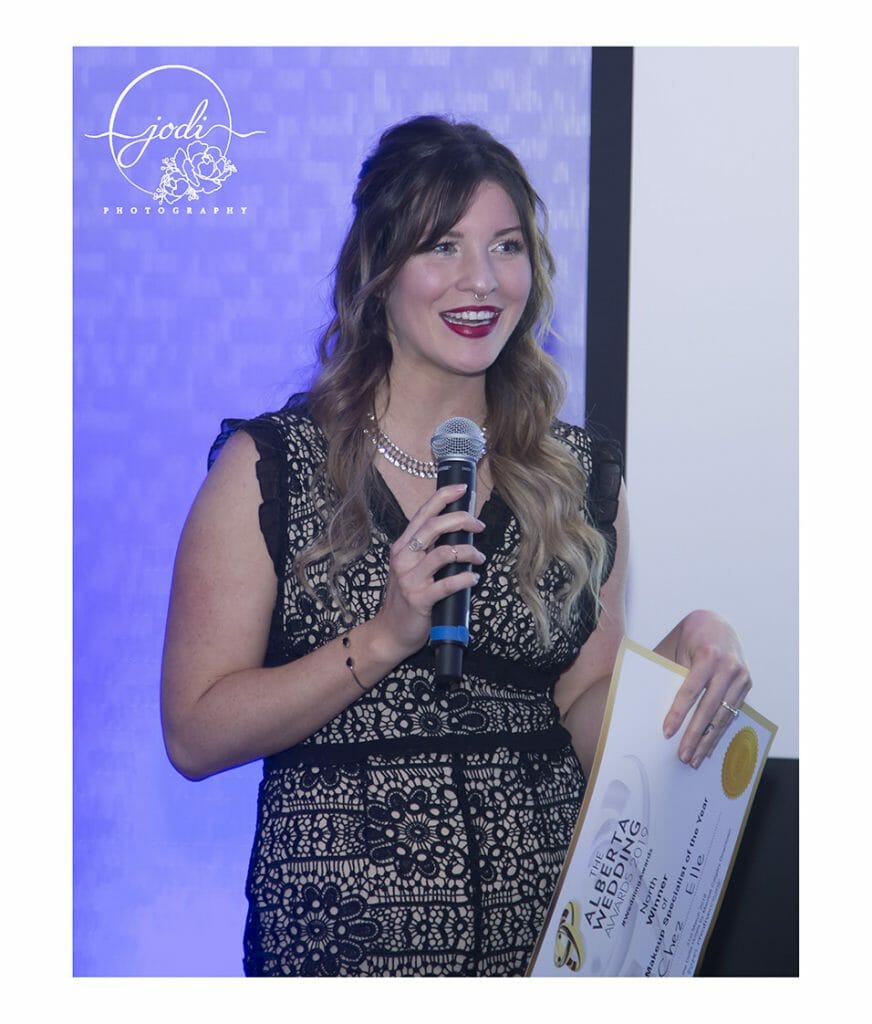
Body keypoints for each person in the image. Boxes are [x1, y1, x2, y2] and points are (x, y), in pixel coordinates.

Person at [160, 115, 752, 977]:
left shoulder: (575, 477)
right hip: (343, 952)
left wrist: (687, 649)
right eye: (443, 245)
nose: (482, 279)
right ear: (378, 269)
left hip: (540, 946)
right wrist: (384, 637)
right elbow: (193, 733)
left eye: (506, 247)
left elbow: (587, 707)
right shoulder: (273, 467)